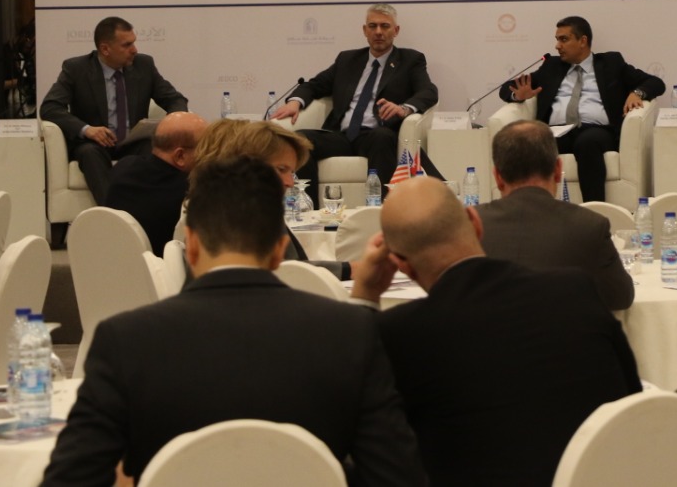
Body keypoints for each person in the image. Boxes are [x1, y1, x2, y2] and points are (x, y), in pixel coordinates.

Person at [41, 156, 427, 487]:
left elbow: (70, 479)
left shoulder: (124, 340)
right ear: (279, 251)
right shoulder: (350, 332)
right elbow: (396, 476)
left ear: (192, 246)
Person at [351, 176, 640, 486]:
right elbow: (632, 402)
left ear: (401, 265)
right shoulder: (574, 289)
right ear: (475, 222)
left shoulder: (399, 334)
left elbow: (357, 427)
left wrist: (365, 296)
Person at [272, 3, 441, 203]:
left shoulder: (410, 60)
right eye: (373, 26)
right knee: (302, 140)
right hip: (341, 136)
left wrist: (403, 109)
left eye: (385, 26)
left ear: (396, 31)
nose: (378, 32)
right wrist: (295, 102)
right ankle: (309, 209)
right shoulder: (347, 60)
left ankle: (382, 208)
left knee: (382, 137)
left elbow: (429, 91)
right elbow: (314, 85)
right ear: (364, 30)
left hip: (375, 135)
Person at [497, 15, 664, 203]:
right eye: (557, 39)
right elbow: (507, 88)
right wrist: (518, 95)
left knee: (587, 143)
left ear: (583, 41)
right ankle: (534, 208)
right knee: (534, 144)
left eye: (564, 39)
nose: (557, 46)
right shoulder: (551, 66)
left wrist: (637, 93)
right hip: (557, 131)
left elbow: (655, 82)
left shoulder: (611, 63)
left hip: (596, 131)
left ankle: (595, 209)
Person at [477, 119, 634, 310]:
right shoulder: (590, 226)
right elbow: (620, 297)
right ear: (558, 170)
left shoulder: (471, 226)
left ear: (497, 177)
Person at [40, 16, 188, 205]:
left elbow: (175, 99)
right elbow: (50, 107)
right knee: (89, 153)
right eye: (127, 45)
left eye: (134, 42)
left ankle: (160, 209)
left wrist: (172, 124)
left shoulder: (144, 65)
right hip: (95, 144)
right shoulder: (76, 69)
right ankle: (113, 212)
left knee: (155, 148)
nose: (134, 50)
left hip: (132, 142)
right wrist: (87, 129)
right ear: (105, 49)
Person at [183, 118, 353, 280]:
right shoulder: (236, 212)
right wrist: (348, 270)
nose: (290, 182)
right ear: (246, 163)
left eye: (291, 172)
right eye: (281, 169)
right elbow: (284, 271)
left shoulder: (236, 203)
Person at [106, 111, 207, 256]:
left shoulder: (122, 167)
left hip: (113, 262)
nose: (210, 154)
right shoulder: (189, 193)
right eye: (205, 147)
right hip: (164, 268)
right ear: (180, 156)